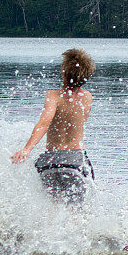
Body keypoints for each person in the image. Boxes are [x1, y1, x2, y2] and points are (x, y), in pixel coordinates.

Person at [11, 48, 96, 204]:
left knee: (53, 205)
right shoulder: (87, 97)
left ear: (63, 73)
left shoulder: (53, 96)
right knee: (78, 207)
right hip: (76, 160)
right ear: (86, 76)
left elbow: (44, 123)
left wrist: (26, 149)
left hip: (50, 161)